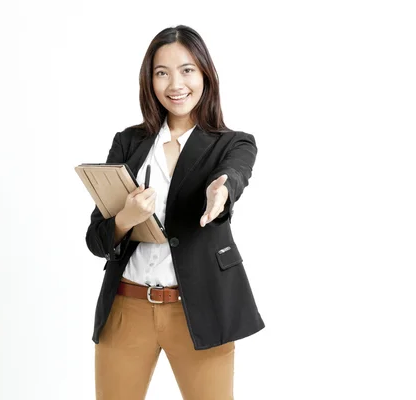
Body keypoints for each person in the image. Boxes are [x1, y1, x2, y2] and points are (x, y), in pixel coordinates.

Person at [84, 25, 265, 400]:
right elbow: (96, 239)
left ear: (204, 74)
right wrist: (125, 219)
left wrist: (221, 192)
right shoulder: (129, 143)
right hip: (126, 307)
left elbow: (234, 176)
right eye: (161, 72)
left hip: (200, 308)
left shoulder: (233, 144)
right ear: (149, 80)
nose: (174, 84)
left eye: (186, 70)